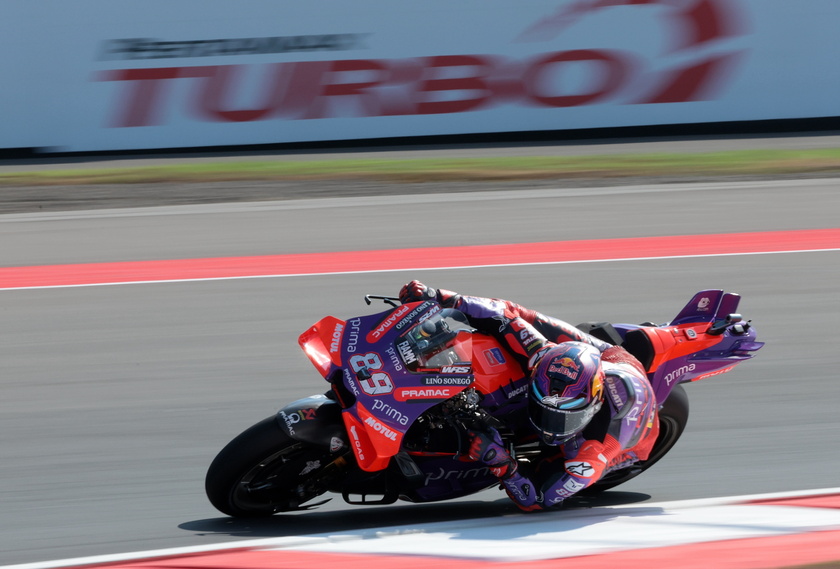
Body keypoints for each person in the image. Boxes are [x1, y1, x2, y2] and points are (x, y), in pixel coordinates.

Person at [398, 280, 659, 511]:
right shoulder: (541, 354)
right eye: (542, 408)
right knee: (524, 316)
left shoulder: (592, 455)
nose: (549, 424)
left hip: (629, 405)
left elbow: (538, 500)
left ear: (592, 404)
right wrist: (438, 296)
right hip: (595, 362)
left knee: (546, 470)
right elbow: (503, 313)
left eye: (562, 417)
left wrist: (499, 461)